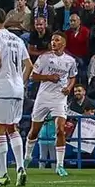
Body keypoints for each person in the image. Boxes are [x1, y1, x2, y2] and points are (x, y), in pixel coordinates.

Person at [0, 9, 31, 187]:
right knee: (12, 128)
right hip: (18, 89)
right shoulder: (18, 39)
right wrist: (21, 82)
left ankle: (2, 174)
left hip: (1, 87)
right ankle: (20, 167)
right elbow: (29, 65)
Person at [25, 31, 79, 177]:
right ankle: (27, 157)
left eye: (57, 40)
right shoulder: (44, 58)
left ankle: (60, 165)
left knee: (60, 130)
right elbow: (33, 76)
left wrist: (68, 87)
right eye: (52, 40)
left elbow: (73, 77)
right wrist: (48, 77)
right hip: (43, 97)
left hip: (59, 98)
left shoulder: (70, 60)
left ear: (64, 43)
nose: (53, 42)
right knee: (34, 131)